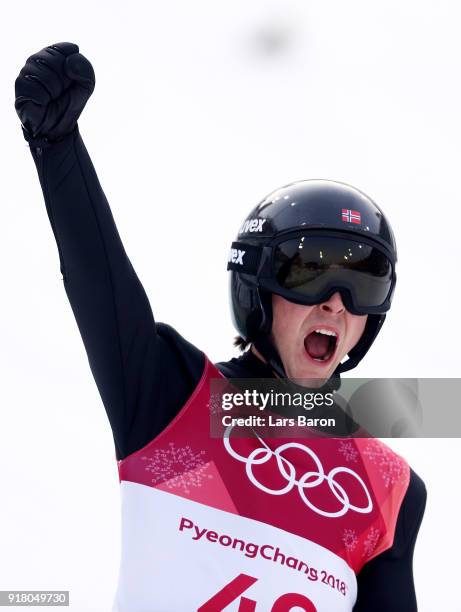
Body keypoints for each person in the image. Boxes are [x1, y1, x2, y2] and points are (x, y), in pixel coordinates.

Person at [14, 42, 426, 612]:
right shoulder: (173, 399)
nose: (336, 305)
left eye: (364, 283)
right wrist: (57, 148)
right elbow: (100, 284)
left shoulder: (389, 489)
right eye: (309, 274)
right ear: (258, 292)